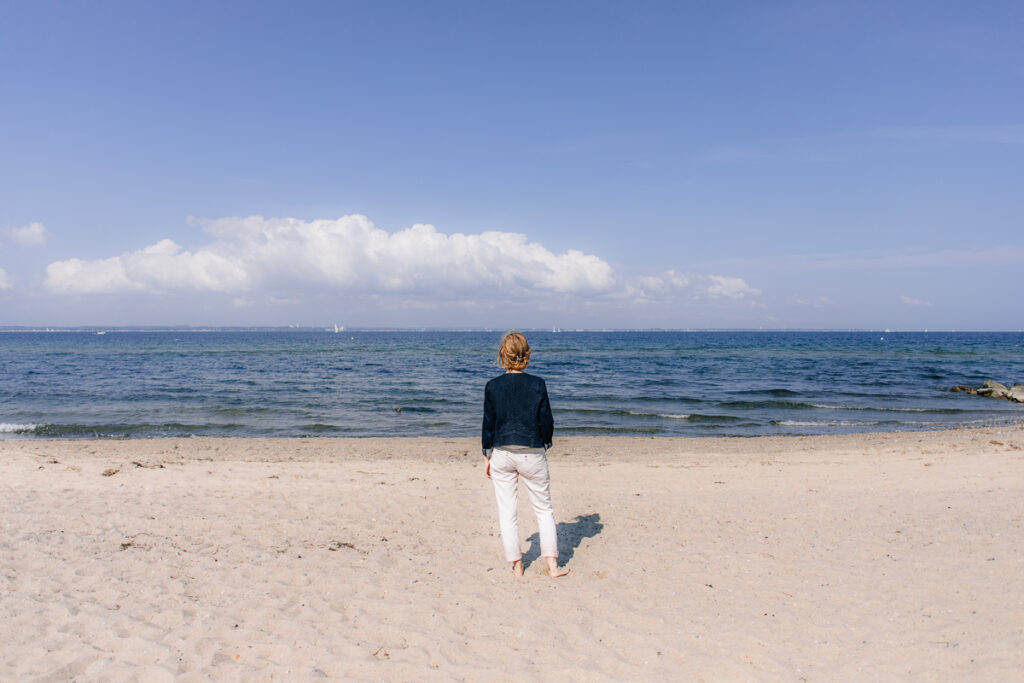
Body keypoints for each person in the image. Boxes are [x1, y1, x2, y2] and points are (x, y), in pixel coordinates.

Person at [482, 331, 569, 578]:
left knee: (507, 511)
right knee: (543, 509)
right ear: (526, 355)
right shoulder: (537, 384)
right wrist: (545, 444)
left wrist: (486, 456)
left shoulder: (493, 386)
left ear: (502, 355)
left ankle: (517, 565)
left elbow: (488, 425)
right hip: (532, 452)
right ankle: (552, 566)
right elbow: (547, 421)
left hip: (502, 452)